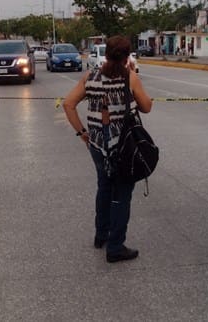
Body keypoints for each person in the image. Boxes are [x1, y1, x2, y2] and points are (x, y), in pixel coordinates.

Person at [63, 35, 152, 263]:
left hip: (97, 143)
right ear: (126, 56)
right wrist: (134, 76)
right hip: (122, 144)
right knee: (122, 193)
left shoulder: (90, 77)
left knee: (104, 186)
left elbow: (68, 104)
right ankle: (115, 246)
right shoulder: (129, 78)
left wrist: (82, 132)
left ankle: (101, 235)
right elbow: (147, 107)